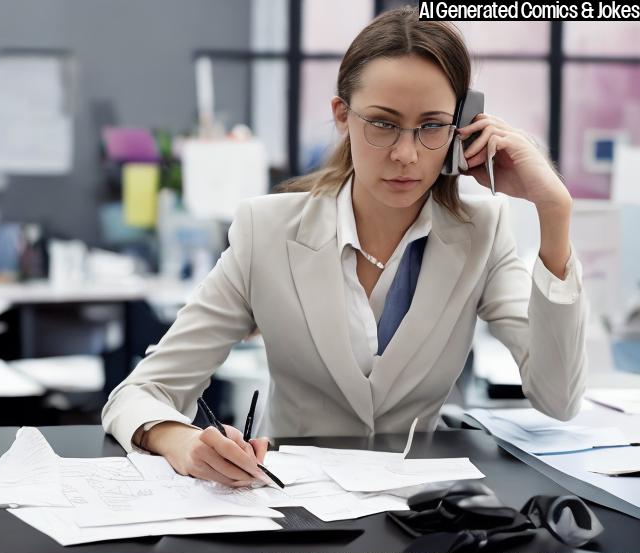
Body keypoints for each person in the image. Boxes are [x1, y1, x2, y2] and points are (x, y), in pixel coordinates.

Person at [102, 7, 587, 488]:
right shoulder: (267, 231)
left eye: (432, 125)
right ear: (342, 115)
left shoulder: (481, 231)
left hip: (423, 515)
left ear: (462, 127)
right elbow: (143, 390)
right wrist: (182, 442)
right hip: (294, 511)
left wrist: (554, 209)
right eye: (382, 123)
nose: (406, 153)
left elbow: (558, 397)